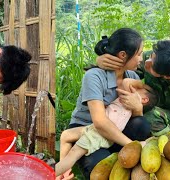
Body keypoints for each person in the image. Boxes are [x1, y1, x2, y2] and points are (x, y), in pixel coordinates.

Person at [60, 28, 152, 179]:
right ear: (123, 55)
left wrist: (137, 109)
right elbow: (100, 123)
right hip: (87, 128)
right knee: (100, 166)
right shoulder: (94, 76)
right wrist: (132, 145)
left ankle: (118, 154)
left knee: (141, 123)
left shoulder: (132, 76)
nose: (141, 58)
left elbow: (131, 116)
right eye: (139, 54)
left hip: (116, 125)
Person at [97, 40, 170, 139]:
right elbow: (123, 65)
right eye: (151, 56)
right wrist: (100, 61)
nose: (147, 62)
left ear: (167, 76)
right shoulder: (151, 58)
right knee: (150, 118)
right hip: (158, 113)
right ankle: (168, 142)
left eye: (152, 66)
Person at [56, 78, 156, 177]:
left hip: (99, 135)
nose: (134, 88)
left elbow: (126, 81)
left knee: (72, 155)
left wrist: (140, 85)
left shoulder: (129, 102)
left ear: (144, 99)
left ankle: (52, 173)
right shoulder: (126, 99)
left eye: (138, 89)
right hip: (94, 128)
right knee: (66, 135)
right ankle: (62, 173)